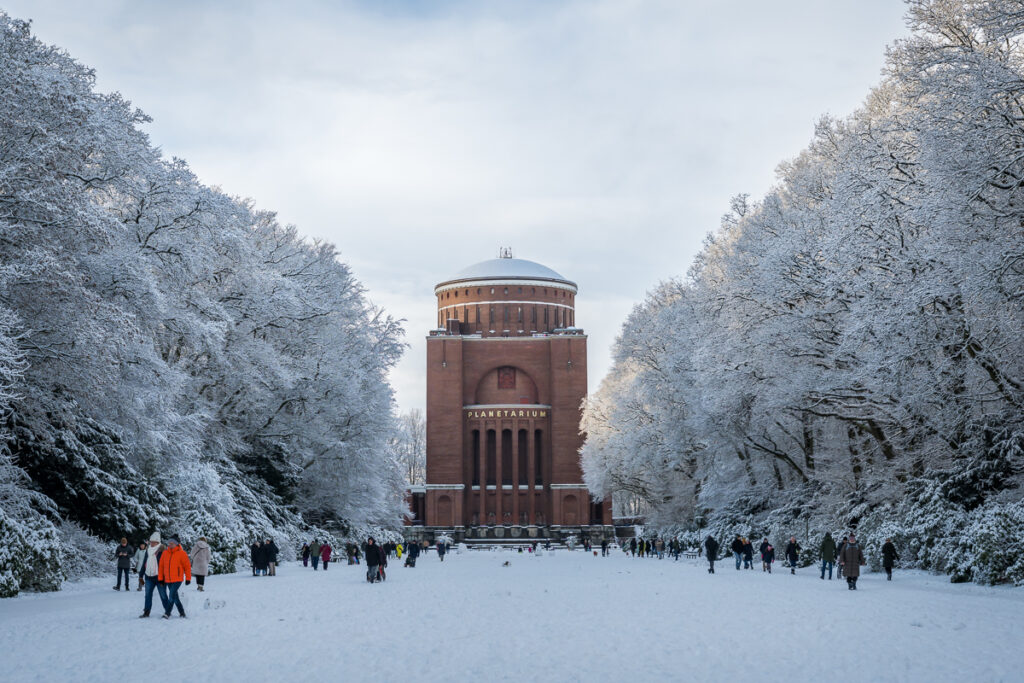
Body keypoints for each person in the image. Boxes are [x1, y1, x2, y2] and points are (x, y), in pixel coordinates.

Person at [157, 534, 191, 619]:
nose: (170, 544)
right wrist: (161, 579)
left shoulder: (182, 553)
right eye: (169, 543)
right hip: (168, 579)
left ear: (176, 544)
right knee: (175, 598)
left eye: (172, 543)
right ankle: (182, 612)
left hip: (177, 579)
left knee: (171, 596)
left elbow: (187, 567)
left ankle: (167, 613)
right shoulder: (165, 553)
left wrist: (188, 578)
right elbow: (161, 566)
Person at [139, 532, 164, 618]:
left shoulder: (162, 551)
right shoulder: (148, 550)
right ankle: (146, 612)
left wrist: (163, 577)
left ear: (158, 542)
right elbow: (144, 563)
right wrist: (140, 575)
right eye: (151, 541)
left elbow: (165, 565)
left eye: (153, 542)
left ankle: (167, 611)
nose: (151, 543)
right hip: (148, 577)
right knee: (147, 595)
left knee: (163, 595)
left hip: (159, 577)